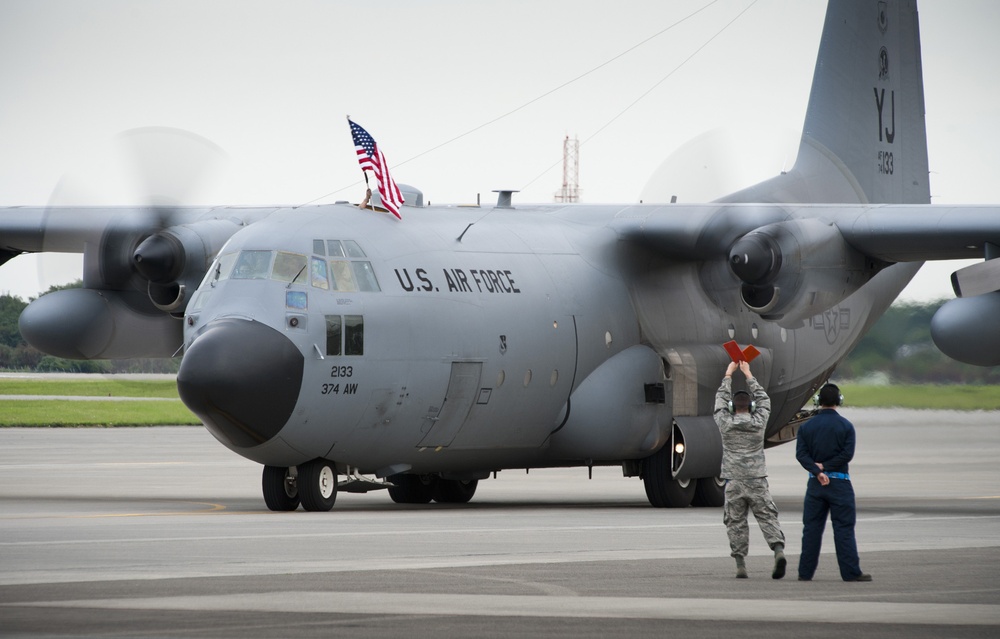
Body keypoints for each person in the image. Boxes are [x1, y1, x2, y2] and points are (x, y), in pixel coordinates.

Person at [713, 360, 786, 579]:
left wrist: (728, 374)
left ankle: (740, 564)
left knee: (735, 522)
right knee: (767, 517)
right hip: (757, 479)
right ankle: (778, 551)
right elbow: (765, 400)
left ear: (731, 408)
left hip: (734, 480)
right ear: (751, 407)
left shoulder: (725, 423)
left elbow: (719, 401)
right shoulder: (759, 422)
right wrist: (748, 374)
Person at [795, 383, 872, 582]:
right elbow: (847, 454)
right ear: (839, 401)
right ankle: (850, 572)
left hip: (815, 485)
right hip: (840, 483)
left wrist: (817, 471)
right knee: (843, 529)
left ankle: (805, 572)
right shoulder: (846, 426)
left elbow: (801, 455)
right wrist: (827, 467)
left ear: (818, 401)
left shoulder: (806, 427)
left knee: (811, 529)